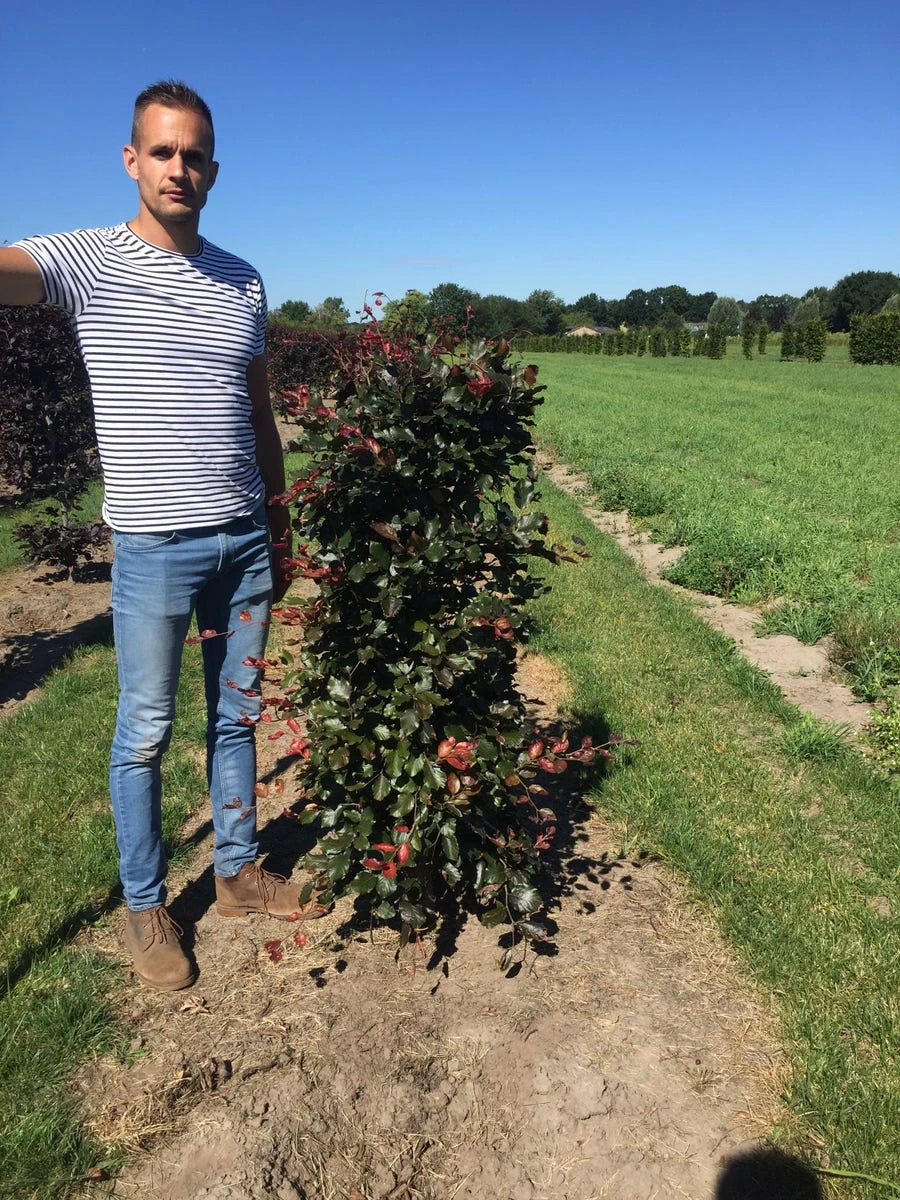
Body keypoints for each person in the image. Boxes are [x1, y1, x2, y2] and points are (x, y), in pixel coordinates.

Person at [0, 80, 323, 992]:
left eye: (195, 155)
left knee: (238, 713)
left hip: (245, 542)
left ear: (213, 170)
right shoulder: (89, 261)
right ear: (132, 160)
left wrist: (281, 515)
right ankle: (145, 906)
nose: (179, 168)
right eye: (163, 151)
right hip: (153, 548)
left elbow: (258, 412)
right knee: (144, 729)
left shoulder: (242, 279)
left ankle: (234, 871)